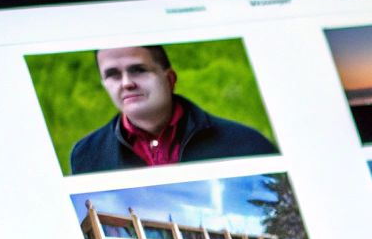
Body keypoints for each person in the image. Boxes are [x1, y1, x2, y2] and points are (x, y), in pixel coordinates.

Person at [68, 46, 278, 174]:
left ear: (170, 79)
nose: (126, 83)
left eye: (138, 70)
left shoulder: (247, 144)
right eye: (113, 75)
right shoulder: (86, 155)